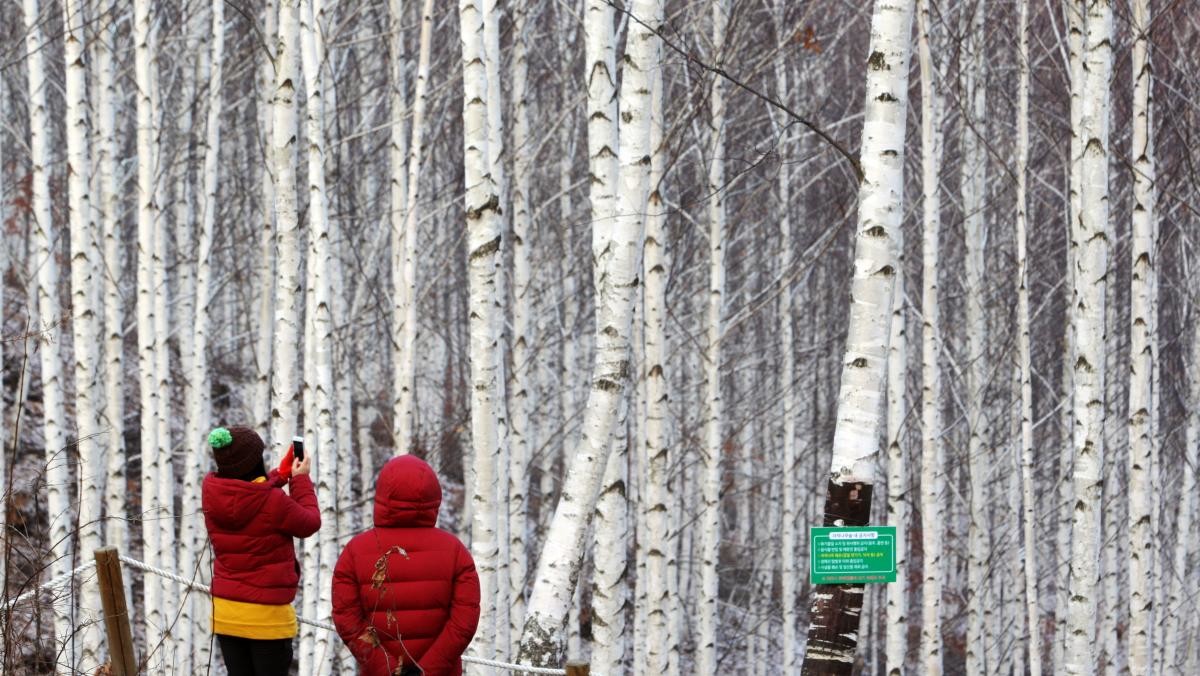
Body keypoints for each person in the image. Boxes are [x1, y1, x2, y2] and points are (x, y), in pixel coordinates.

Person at [332, 455, 480, 676]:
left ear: (382, 495)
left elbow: (347, 619)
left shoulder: (354, 552)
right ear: (434, 497)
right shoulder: (456, 552)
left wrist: (387, 667)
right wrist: (427, 670)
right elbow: (464, 622)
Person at [202, 426, 320, 676]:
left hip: (226, 615)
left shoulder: (212, 493)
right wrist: (300, 480)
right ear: (254, 461)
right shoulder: (273, 502)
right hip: (267, 619)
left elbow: (250, 493)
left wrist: (281, 474)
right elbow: (310, 522)